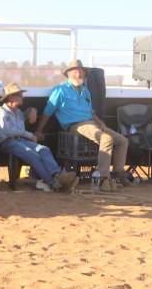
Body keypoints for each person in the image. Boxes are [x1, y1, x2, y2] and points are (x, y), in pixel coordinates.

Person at [34, 59, 130, 191]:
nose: (79, 74)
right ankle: (103, 179)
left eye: (81, 71)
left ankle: (118, 174)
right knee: (106, 139)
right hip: (75, 125)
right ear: (68, 74)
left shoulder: (85, 91)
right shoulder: (60, 90)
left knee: (122, 141)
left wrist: (99, 121)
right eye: (75, 71)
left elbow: (90, 111)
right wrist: (38, 131)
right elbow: (47, 112)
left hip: (91, 123)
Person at [0, 83, 76, 192]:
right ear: (11, 97)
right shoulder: (0, 112)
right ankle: (52, 182)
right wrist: (30, 135)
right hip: (7, 143)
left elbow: (27, 115)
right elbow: (8, 131)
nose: (23, 97)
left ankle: (57, 175)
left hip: (20, 141)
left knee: (44, 149)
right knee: (32, 154)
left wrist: (33, 110)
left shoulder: (18, 112)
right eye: (20, 95)